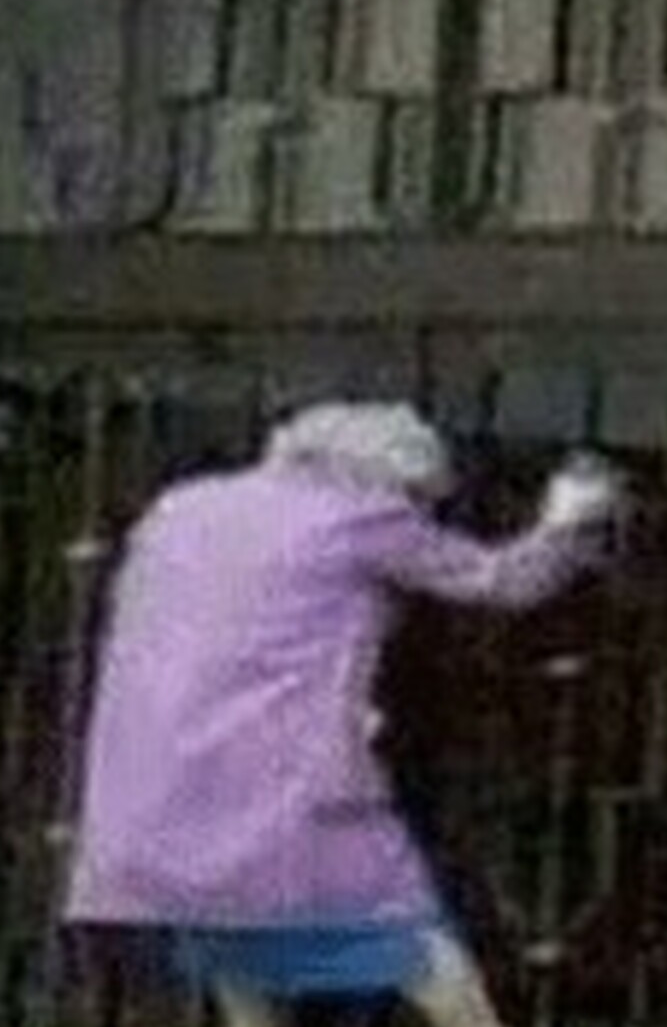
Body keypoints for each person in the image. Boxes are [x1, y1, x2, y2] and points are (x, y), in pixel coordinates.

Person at [62, 402, 624, 1027]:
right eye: (419, 500)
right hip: (291, 795)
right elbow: (499, 581)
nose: (418, 513)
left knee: (238, 957)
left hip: (162, 797)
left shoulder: (180, 509)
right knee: (423, 954)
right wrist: (569, 518)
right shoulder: (359, 515)